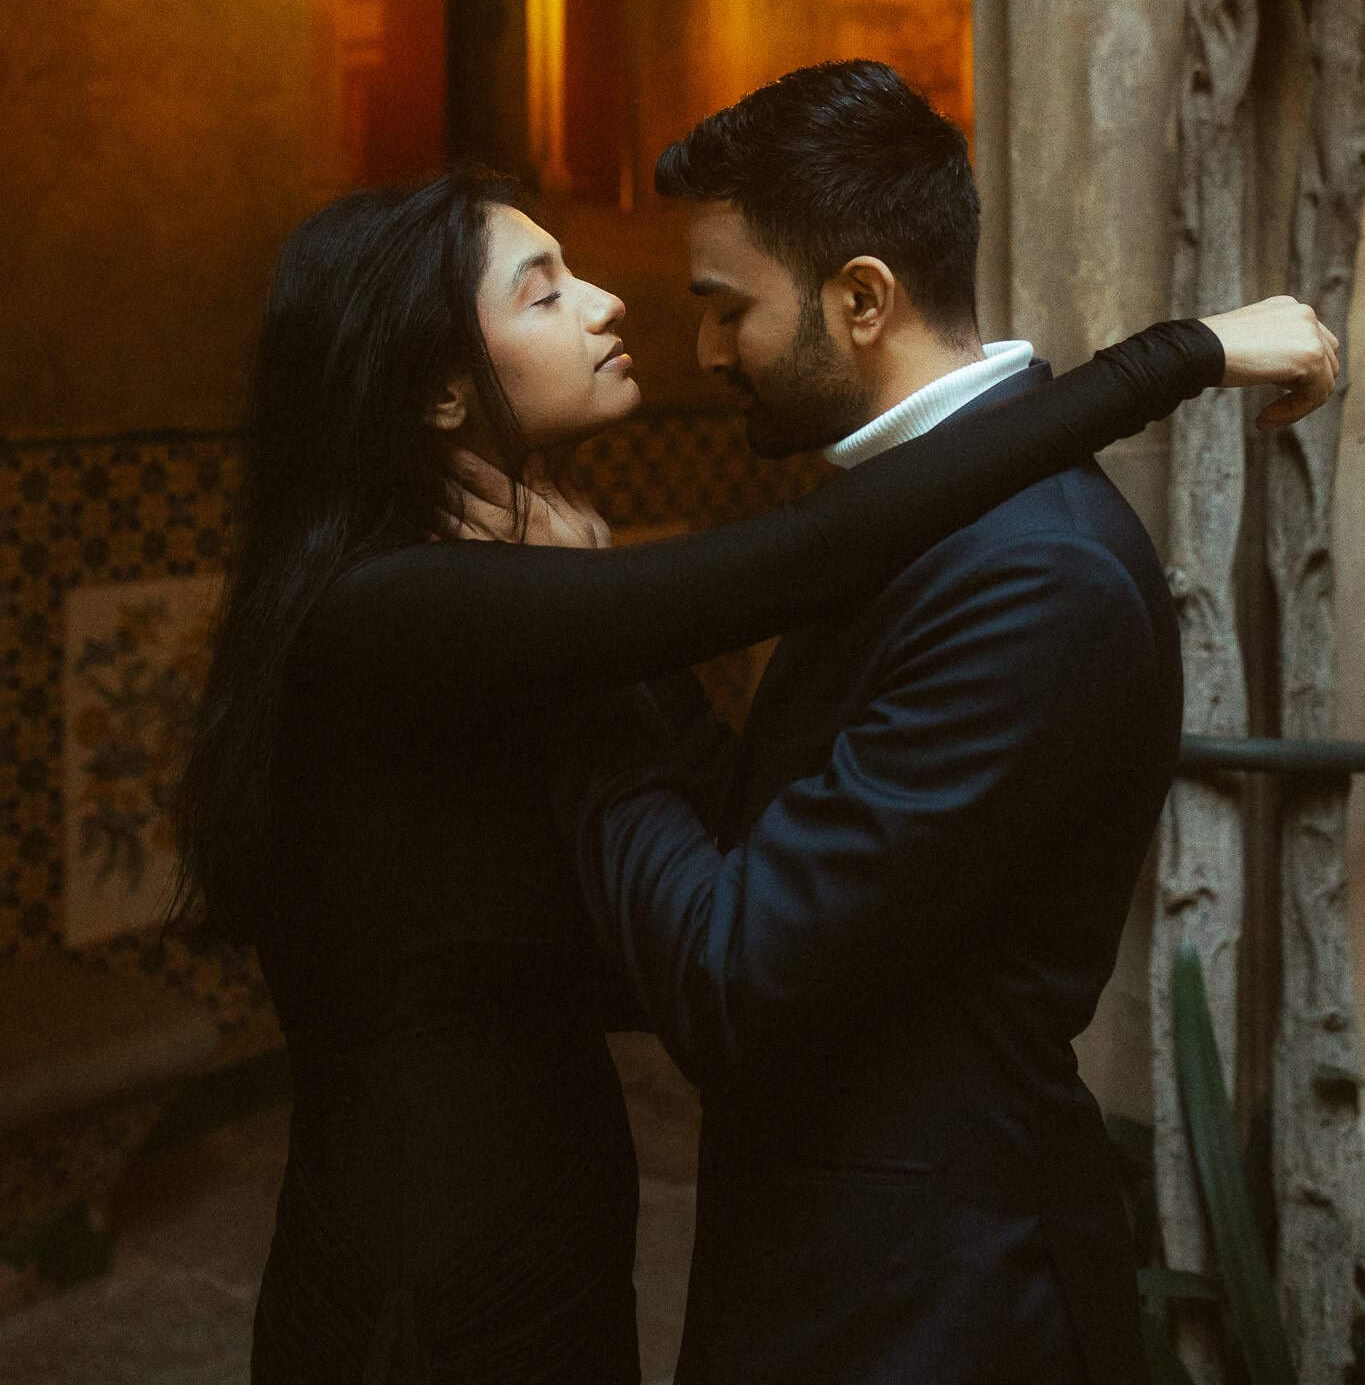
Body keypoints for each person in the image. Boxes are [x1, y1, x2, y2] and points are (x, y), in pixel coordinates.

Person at [174, 155, 1334, 1385]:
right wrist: (1183, 356)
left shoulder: (474, 585)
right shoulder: (394, 602)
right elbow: (814, 553)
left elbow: (607, 907)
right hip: (428, 1277)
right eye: (544, 288)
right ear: (448, 395)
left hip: (534, 1237)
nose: (609, 302)